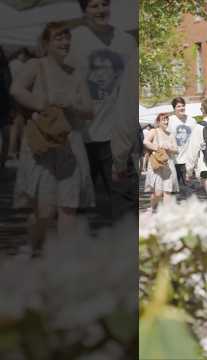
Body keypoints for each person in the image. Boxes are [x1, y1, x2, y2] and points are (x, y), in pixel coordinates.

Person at [10, 22, 95, 255]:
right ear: (46, 43)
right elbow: (16, 89)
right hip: (42, 144)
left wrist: (73, 105)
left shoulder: (75, 73)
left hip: (70, 145)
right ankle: (34, 251)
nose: (65, 43)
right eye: (58, 38)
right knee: (43, 211)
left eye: (67, 38)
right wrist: (42, 104)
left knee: (68, 207)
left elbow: (89, 110)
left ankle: (62, 265)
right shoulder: (35, 65)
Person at [65, 0, 138, 201]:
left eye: (104, 4)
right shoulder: (72, 39)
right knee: (76, 202)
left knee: (123, 200)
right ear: (84, 10)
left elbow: (131, 89)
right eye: (94, 6)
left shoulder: (125, 41)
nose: (101, 10)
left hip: (114, 135)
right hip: (79, 134)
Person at [143, 113, 178, 209]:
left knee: (167, 191)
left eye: (167, 119)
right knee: (158, 193)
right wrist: (157, 148)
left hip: (168, 165)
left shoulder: (171, 134)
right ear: (158, 122)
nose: (166, 121)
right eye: (163, 119)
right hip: (157, 164)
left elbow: (176, 150)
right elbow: (145, 142)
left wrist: (169, 148)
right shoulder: (154, 131)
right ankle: (152, 208)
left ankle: (166, 216)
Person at [167, 97, 197, 193]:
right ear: (174, 108)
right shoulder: (169, 120)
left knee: (188, 189)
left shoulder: (191, 121)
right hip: (173, 159)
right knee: (172, 189)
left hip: (187, 159)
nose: (181, 108)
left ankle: (189, 207)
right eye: (178, 106)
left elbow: (196, 139)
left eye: (183, 106)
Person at [8, 48, 32, 160]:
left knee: (16, 125)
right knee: (18, 124)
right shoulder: (21, 65)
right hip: (19, 98)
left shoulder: (11, 64)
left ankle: (14, 150)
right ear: (22, 54)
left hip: (11, 98)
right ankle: (14, 150)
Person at [0, 46, 12, 168]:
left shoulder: (5, 68)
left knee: (6, 136)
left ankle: (2, 162)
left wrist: (12, 107)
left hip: (4, 108)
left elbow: (11, 88)